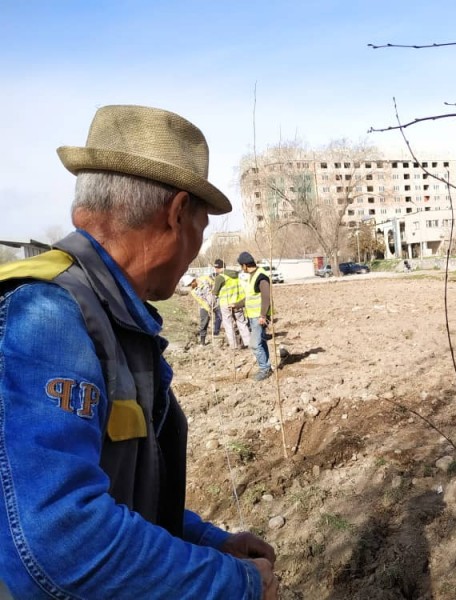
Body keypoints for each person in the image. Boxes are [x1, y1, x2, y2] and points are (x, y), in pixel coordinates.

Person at [0, 105, 277, 599]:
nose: (197, 249)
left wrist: (205, 541)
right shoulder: (46, 314)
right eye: (201, 227)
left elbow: (117, 491)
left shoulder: (110, 316)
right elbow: (58, 541)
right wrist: (233, 585)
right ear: (177, 214)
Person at [237, 252, 274, 380]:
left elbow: (266, 297)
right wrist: (236, 305)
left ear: (245, 265)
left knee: (254, 344)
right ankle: (267, 367)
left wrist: (263, 315)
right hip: (253, 316)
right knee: (261, 342)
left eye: (241, 266)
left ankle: (264, 369)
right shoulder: (252, 276)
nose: (241, 268)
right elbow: (250, 297)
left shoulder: (261, 277)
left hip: (259, 317)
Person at [212, 258, 250, 350]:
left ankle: (233, 346)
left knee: (228, 325)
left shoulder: (220, 277)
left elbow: (215, 292)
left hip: (226, 303)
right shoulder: (236, 274)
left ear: (217, 268)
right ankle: (249, 343)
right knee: (242, 323)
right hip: (237, 302)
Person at [190, 273, 217, 345]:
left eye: (191, 283)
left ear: (194, 280)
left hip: (216, 301)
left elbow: (214, 284)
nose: (191, 285)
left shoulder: (205, 278)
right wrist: (208, 309)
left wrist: (213, 290)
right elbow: (201, 301)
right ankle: (202, 342)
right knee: (204, 323)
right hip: (205, 306)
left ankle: (219, 336)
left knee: (221, 317)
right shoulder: (193, 291)